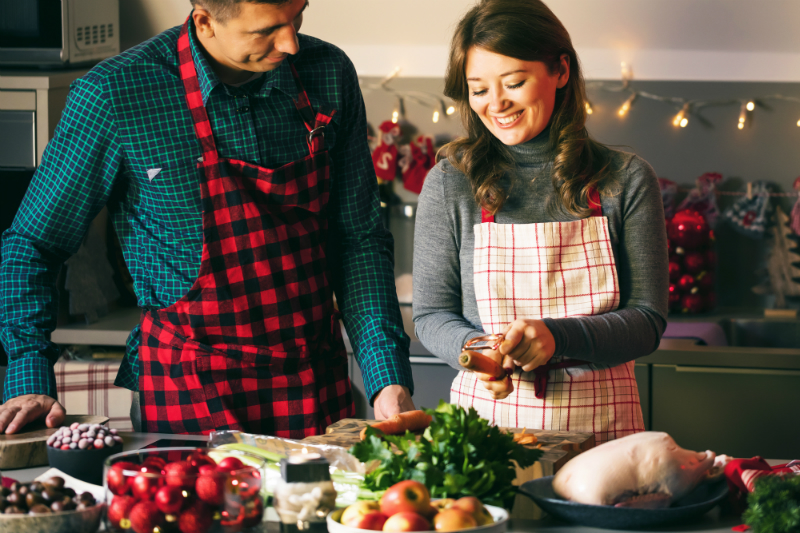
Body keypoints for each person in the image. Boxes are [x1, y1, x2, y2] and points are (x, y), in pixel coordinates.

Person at [0, 0, 415, 437]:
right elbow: (33, 244)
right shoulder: (116, 93)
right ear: (205, 22)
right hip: (189, 387)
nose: (291, 43)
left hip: (313, 379)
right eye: (266, 30)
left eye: (297, 17)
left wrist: (386, 375)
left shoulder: (328, 71)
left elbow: (358, 240)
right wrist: (29, 376)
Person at [413, 0, 668, 444]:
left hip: (602, 434)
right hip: (487, 429)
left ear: (561, 71)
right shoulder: (450, 183)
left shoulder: (624, 179)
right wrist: (482, 351)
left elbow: (648, 321)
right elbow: (432, 315)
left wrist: (558, 337)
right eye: (478, 89)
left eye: (514, 82)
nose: (496, 104)